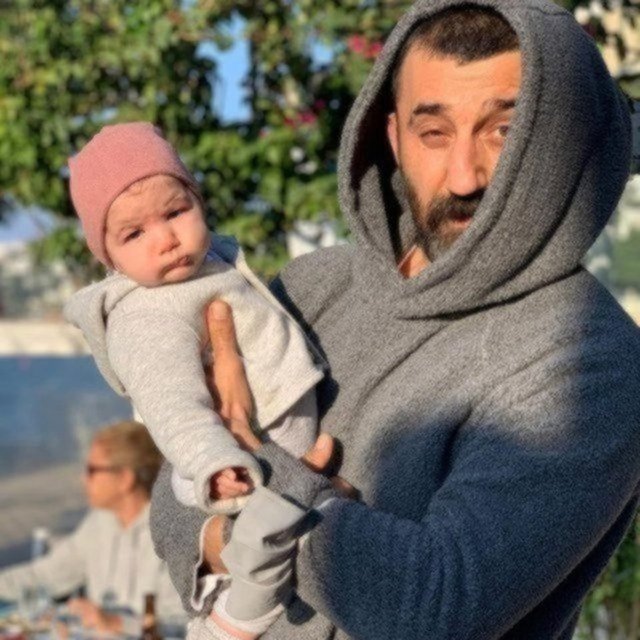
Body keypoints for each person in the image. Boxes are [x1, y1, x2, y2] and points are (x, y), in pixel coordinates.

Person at [150, 1, 640, 639]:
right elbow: (170, 494)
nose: (463, 176)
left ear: (561, 143)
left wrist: (245, 470)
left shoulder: (590, 358)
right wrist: (237, 533)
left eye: (504, 131)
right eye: (433, 132)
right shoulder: (310, 286)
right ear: (393, 138)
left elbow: (431, 609)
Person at [64, 122, 327, 639]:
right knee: (263, 556)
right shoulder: (145, 315)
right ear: (108, 257)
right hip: (226, 459)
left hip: (268, 448)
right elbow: (172, 405)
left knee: (278, 539)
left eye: (175, 212)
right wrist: (215, 462)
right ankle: (229, 621)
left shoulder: (211, 266)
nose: (165, 239)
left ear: (198, 201)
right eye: (134, 234)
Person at [0, 420, 185, 636]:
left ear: (125, 479)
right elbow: (45, 576)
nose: (83, 479)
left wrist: (118, 623)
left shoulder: (172, 533)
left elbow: (182, 624)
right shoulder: (99, 523)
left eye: (92, 470)